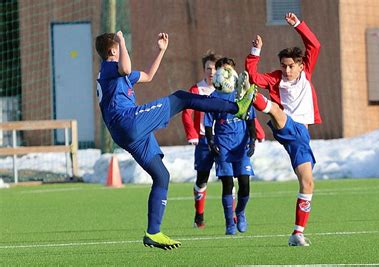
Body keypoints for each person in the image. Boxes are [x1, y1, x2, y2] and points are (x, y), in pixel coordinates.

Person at [95, 31, 255, 250]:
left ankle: (153, 232)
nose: (125, 50)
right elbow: (125, 68)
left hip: (125, 131)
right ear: (113, 51)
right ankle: (237, 108)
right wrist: (121, 40)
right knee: (181, 98)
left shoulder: (117, 75)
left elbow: (149, 76)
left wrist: (161, 51)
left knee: (162, 175)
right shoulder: (108, 68)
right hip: (128, 122)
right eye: (121, 48)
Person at [244, 13, 321, 246]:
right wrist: (254, 53)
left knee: (307, 183)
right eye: (283, 66)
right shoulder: (277, 79)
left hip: (301, 136)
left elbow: (314, 44)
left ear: (300, 65)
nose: (286, 71)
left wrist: (297, 24)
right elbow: (254, 76)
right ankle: (252, 96)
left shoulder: (306, 72)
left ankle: (297, 233)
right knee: (276, 110)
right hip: (285, 125)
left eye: (290, 66)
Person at [204, 58, 257, 235]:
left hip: (240, 145)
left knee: (244, 184)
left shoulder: (241, 93)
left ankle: (240, 212)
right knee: (227, 183)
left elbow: (251, 119)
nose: (226, 73)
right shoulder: (213, 98)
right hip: (223, 145)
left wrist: (252, 139)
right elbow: (208, 124)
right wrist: (211, 142)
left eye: (229, 69)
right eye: (223, 69)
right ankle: (229, 223)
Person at [181, 51, 220, 229]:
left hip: (223, 140)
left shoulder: (226, 89)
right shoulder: (196, 89)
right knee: (202, 179)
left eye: (214, 68)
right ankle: (199, 214)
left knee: (228, 178)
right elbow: (187, 113)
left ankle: (233, 217)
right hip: (204, 141)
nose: (211, 72)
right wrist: (192, 134)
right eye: (208, 68)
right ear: (204, 70)